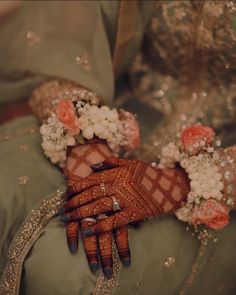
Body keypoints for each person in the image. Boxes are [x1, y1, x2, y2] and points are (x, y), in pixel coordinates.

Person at [0, 1, 236, 295]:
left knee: (72, 269)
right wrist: (85, 132)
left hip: (225, 161)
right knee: (4, 188)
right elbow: (67, 33)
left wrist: (180, 183)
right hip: (116, 106)